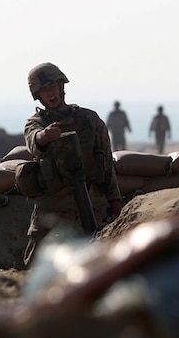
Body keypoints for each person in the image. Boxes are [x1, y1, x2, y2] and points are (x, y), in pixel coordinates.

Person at [22, 62, 122, 265]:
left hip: (89, 206)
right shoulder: (37, 122)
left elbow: (107, 165)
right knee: (38, 268)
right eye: (44, 90)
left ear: (61, 86)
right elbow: (33, 140)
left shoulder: (89, 120)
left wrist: (115, 202)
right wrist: (44, 137)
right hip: (53, 211)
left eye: (53, 87)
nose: (50, 93)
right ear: (38, 95)